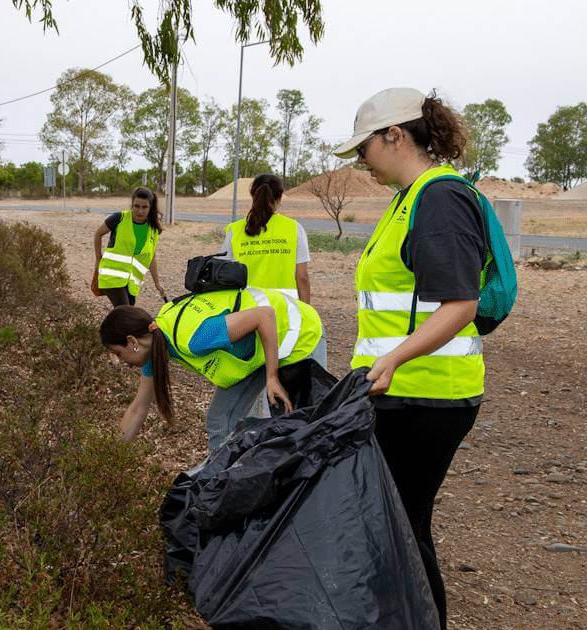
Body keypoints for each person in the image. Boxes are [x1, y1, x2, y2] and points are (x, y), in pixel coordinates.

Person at [333, 87, 486, 629]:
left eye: (364, 148)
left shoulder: (439, 198)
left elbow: (461, 303)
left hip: (428, 396)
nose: (361, 161)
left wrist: (395, 358)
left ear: (395, 135)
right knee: (391, 523)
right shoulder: (410, 197)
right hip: (398, 390)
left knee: (401, 526)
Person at [99, 287, 324, 452]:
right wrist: (111, 458)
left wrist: (272, 377)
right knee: (220, 421)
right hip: (255, 352)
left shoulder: (195, 338)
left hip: (296, 334)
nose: (123, 363)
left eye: (119, 353)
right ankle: (225, 487)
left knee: (302, 426)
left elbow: (264, 315)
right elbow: (139, 407)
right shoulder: (157, 340)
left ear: (132, 341)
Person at [221, 174, 313, 304]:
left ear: (253, 195)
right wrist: (306, 311)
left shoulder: (234, 231)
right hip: (287, 309)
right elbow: (302, 277)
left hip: (247, 310)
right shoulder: (294, 228)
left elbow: (224, 275)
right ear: (279, 198)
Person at [92, 187, 168, 306]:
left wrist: (157, 283)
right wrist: (98, 257)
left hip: (132, 282)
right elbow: (98, 234)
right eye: (136, 206)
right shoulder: (119, 218)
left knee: (126, 315)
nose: (140, 211)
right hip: (112, 277)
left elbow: (151, 257)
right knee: (125, 311)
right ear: (132, 205)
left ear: (150, 208)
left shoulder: (153, 229)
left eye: (144, 207)